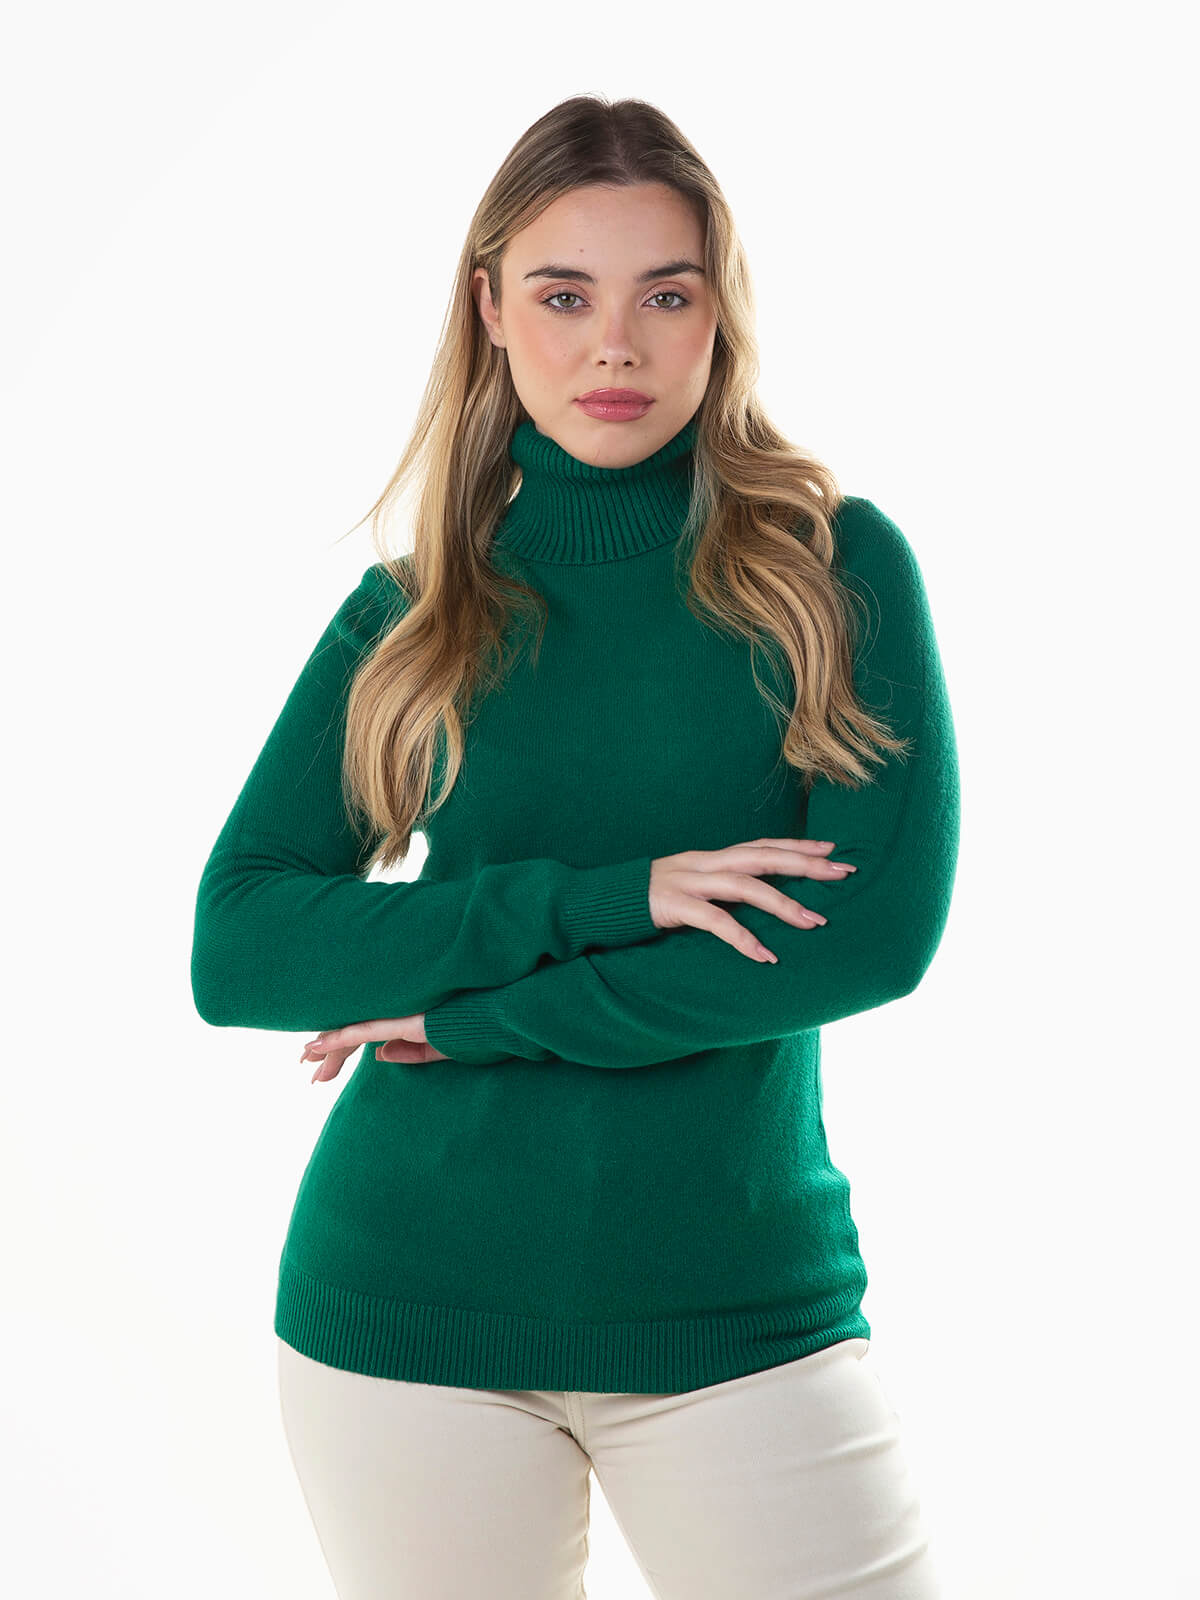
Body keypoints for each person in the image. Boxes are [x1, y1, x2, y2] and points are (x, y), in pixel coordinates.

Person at [192, 93, 959, 1600]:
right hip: (404, 1317)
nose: (616, 346)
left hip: (734, 1308)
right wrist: (615, 899)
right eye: (563, 295)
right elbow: (243, 947)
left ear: (719, 315)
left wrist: (475, 1017)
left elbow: (869, 938)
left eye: (664, 295)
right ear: (489, 309)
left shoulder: (829, 570)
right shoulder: (415, 614)